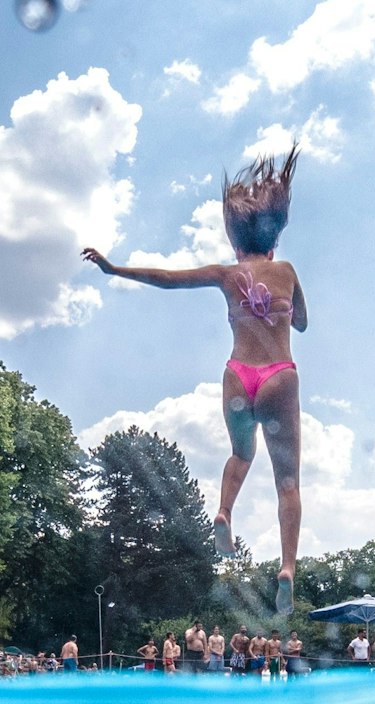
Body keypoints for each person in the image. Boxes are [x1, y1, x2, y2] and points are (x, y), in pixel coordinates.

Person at [84, 149, 307, 616]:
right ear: (273, 237)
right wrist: (281, 309)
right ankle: (287, 567)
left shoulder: (226, 275)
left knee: (240, 454)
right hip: (278, 378)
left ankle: (224, 511)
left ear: (235, 241)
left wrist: (113, 268)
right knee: (287, 482)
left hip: (237, 378)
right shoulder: (285, 272)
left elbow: (167, 278)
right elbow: (302, 324)